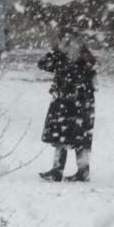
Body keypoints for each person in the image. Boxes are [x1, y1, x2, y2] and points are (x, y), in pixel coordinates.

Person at [39, 26, 96, 182]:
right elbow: (43, 64)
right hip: (82, 101)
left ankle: (59, 170)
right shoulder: (83, 56)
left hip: (69, 100)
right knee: (80, 136)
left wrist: (58, 52)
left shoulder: (71, 57)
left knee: (62, 134)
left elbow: (45, 64)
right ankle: (81, 171)